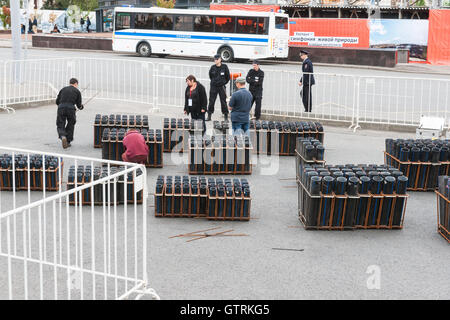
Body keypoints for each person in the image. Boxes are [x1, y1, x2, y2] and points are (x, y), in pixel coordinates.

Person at [55, 78, 84, 149]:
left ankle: (63, 136)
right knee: (71, 123)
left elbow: (57, 101)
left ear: (70, 83)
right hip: (71, 109)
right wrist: (81, 107)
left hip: (61, 108)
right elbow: (79, 105)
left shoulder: (63, 89)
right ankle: (68, 141)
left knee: (60, 123)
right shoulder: (77, 91)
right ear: (76, 84)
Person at [207, 54, 230, 122]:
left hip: (221, 87)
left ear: (220, 59)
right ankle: (209, 116)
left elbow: (227, 77)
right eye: (215, 59)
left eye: (217, 59)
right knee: (211, 101)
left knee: (223, 102)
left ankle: (225, 116)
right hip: (214, 86)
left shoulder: (224, 67)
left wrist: (223, 83)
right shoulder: (212, 67)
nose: (215, 61)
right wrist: (214, 82)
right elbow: (210, 76)